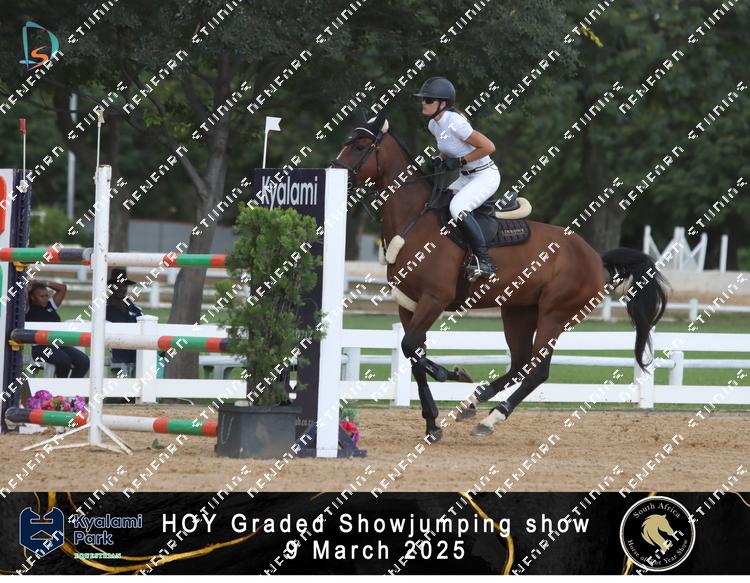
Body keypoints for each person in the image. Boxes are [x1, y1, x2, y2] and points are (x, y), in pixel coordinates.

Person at [414, 76, 501, 279]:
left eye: (428, 99)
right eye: (423, 99)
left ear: (442, 104)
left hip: (485, 175)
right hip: (466, 177)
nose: (423, 102)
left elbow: (489, 147)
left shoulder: (454, 122)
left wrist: (460, 161)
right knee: (439, 202)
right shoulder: (433, 125)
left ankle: (485, 261)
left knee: (457, 208)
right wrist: (439, 159)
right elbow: (450, 147)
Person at [26, 280, 90, 378]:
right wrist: (27, 290)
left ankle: (71, 386)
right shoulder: (27, 308)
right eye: (41, 296)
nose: (45, 298)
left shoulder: (50, 305)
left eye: (46, 296)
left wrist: (44, 283)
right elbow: (20, 301)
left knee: (84, 361)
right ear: (32, 297)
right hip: (41, 347)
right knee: (64, 361)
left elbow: (63, 288)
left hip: (59, 344)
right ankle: (60, 386)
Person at [105, 268, 143, 373]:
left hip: (137, 355)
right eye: (118, 285)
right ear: (111, 287)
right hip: (117, 355)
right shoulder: (103, 311)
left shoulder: (136, 309)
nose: (122, 288)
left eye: (125, 285)